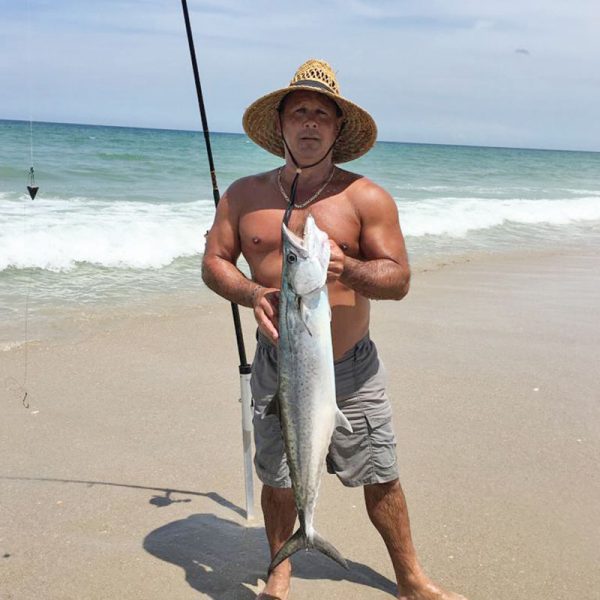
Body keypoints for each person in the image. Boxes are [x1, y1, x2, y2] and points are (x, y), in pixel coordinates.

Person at [202, 59, 466, 600]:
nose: (309, 123)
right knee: (277, 474)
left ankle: (411, 578)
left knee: (380, 471)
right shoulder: (245, 195)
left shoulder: (365, 197)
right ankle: (281, 570)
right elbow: (214, 262)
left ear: (338, 128)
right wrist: (253, 294)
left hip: (352, 365)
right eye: (299, 112)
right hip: (278, 361)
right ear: (280, 124)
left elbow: (399, 279)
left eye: (321, 114)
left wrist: (349, 270)